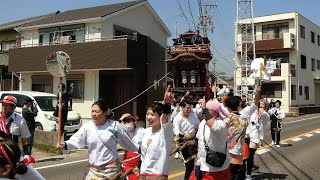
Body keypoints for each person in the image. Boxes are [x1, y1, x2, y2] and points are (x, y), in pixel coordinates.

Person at [56, 99, 139, 179]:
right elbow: (77, 140)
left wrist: (139, 149)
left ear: (105, 112)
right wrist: (65, 144)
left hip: (111, 169)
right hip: (93, 169)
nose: (93, 114)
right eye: (92, 111)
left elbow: (126, 141)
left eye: (97, 111)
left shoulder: (115, 126)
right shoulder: (87, 127)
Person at [139, 86, 174, 179]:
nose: (149, 117)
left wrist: (166, 104)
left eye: (152, 115)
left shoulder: (165, 132)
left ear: (159, 116)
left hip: (158, 176)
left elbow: (165, 118)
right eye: (147, 114)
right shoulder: (145, 132)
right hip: (143, 175)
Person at [189, 99, 230, 179]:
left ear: (216, 111)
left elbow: (214, 127)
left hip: (217, 167)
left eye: (208, 110)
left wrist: (204, 108)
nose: (205, 112)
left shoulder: (221, 124)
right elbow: (198, 138)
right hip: (202, 164)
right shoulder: (203, 123)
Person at [172, 99, 200, 180]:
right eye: (187, 108)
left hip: (194, 141)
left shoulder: (193, 115)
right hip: (183, 142)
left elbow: (199, 126)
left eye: (190, 108)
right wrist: (183, 136)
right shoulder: (177, 118)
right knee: (189, 164)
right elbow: (176, 131)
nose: (189, 109)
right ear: (182, 107)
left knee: (193, 164)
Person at [244, 99, 270, 180]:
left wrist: (263, 111)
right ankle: (241, 173)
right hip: (245, 136)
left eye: (263, 105)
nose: (261, 106)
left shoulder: (265, 116)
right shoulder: (251, 112)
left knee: (250, 156)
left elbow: (266, 117)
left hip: (255, 138)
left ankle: (248, 174)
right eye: (260, 104)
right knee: (243, 156)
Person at [119, 113, 145, 180]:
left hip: (138, 161)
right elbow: (114, 128)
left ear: (134, 121)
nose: (127, 123)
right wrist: (120, 119)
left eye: (129, 121)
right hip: (127, 161)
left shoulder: (141, 131)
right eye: (125, 121)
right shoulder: (123, 132)